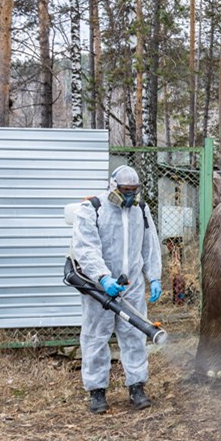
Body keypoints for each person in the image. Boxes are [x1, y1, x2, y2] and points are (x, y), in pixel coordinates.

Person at [71, 165, 163, 414]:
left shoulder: (140, 210)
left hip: (131, 285)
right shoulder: (93, 208)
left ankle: (137, 386)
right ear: (114, 188)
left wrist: (154, 277)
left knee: (134, 335)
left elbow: (150, 244)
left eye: (134, 190)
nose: (131, 196)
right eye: (126, 191)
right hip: (100, 287)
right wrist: (102, 277)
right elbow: (85, 247)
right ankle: (97, 391)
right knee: (96, 336)